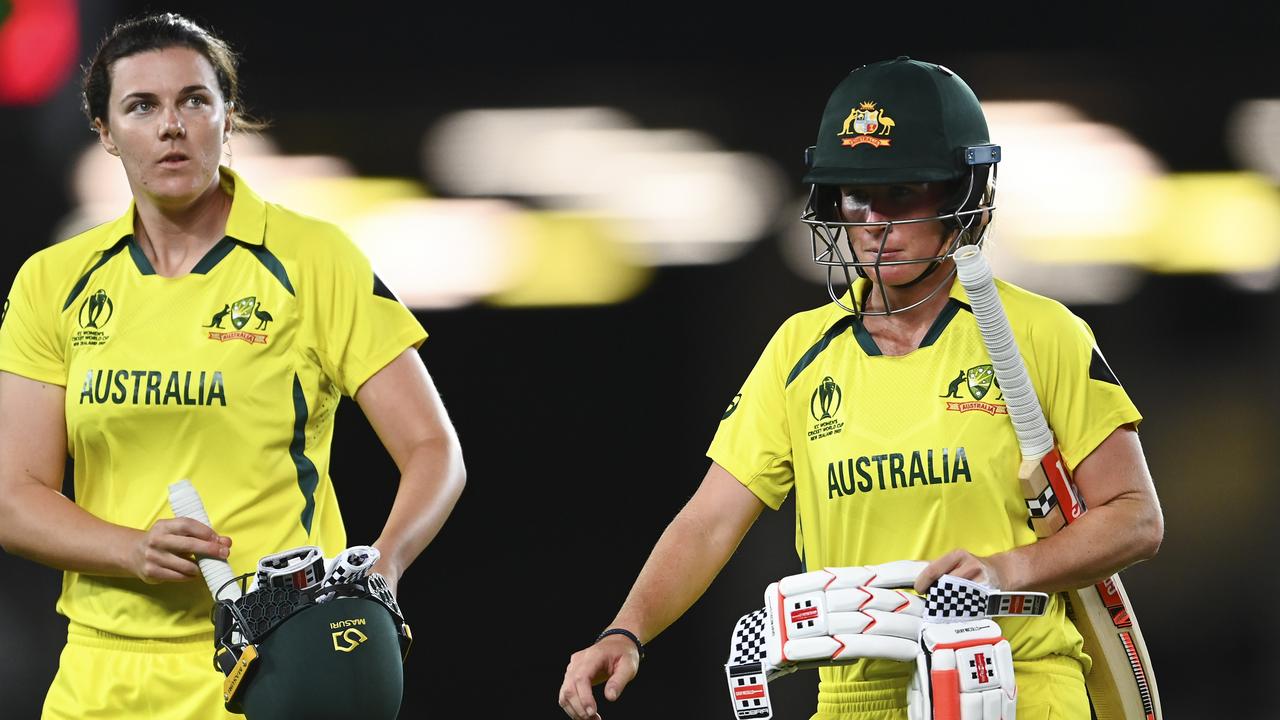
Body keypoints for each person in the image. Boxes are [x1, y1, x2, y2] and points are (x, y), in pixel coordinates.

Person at [558, 57, 1163, 720]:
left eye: (905, 191)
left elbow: (1135, 517)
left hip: (1018, 682)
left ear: (962, 191)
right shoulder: (799, 351)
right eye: (856, 195)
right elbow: (708, 522)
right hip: (854, 698)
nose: (875, 220)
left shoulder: (1040, 334)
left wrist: (1004, 569)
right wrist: (627, 629)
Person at [0, 13, 466, 719]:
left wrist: (387, 564)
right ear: (105, 132)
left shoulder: (313, 258)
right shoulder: (53, 281)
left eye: (194, 100)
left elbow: (435, 450)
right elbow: (14, 497)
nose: (171, 125)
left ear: (227, 116)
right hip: (99, 675)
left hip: (271, 664)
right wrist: (130, 549)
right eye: (141, 106)